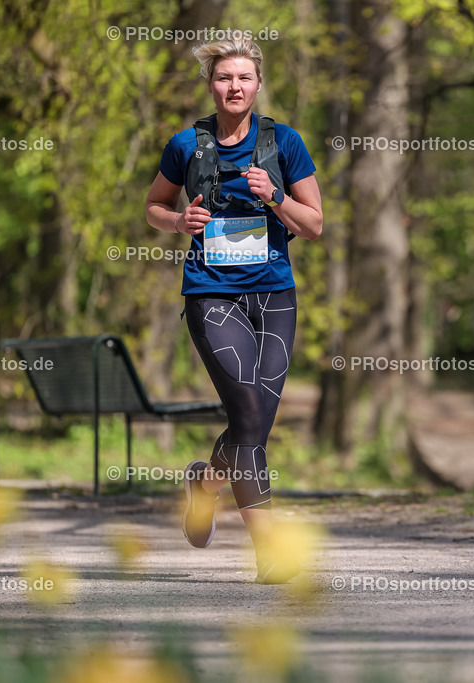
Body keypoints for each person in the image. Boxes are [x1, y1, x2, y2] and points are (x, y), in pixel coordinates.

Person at [144, 37, 323, 584]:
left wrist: (274, 196)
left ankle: (205, 483)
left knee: (255, 423)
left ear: (258, 85)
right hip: (210, 293)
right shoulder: (187, 145)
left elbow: (313, 225)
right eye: (224, 77)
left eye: (244, 77)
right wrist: (178, 223)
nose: (235, 86)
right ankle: (267, 548)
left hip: (275, 296)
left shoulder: (284, 143)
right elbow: (154, 206)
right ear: (211, 85)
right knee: (247, 416)